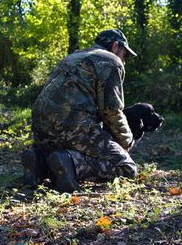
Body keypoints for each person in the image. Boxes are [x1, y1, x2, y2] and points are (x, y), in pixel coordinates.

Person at [22, 29, 138, 192]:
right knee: (127, 168)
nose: (124, 61)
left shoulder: (73, 57)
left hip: (40, 128)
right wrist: (125, 143)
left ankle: (40, 160)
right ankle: (71, 163)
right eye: (125, 55)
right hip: (74, 126)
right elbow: (112, 111)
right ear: (115, 46)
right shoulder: (111, 61)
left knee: (68, 146)